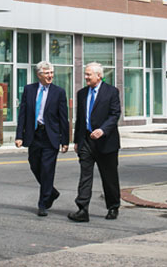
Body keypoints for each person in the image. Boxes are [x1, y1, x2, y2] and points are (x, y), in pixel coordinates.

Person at [68, 62, 122, 222]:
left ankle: (113, 207)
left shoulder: (111, 92)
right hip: (86, 141)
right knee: (85, 176)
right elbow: (79, 119)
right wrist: (77, 140)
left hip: (106, 142)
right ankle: (82, 209)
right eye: (85, 74)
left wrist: (103, 130)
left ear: (99, 76)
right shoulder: (82, 93)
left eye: (88, 75)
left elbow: (115, 114)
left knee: (109, 177)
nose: (85, 77)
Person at [15, 61, 69, 216]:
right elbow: (23, 114)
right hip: (34, 134)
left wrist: (65, 141)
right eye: (47, 73)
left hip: (50, 135)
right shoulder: (29, 90)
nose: (50, 76)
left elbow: (63, 118)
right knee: (34, 165)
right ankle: (51, 192)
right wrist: (19, 135)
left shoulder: (58, 92)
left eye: (51, 72)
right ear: (39, 74)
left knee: (47, 169)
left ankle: (43, 203)